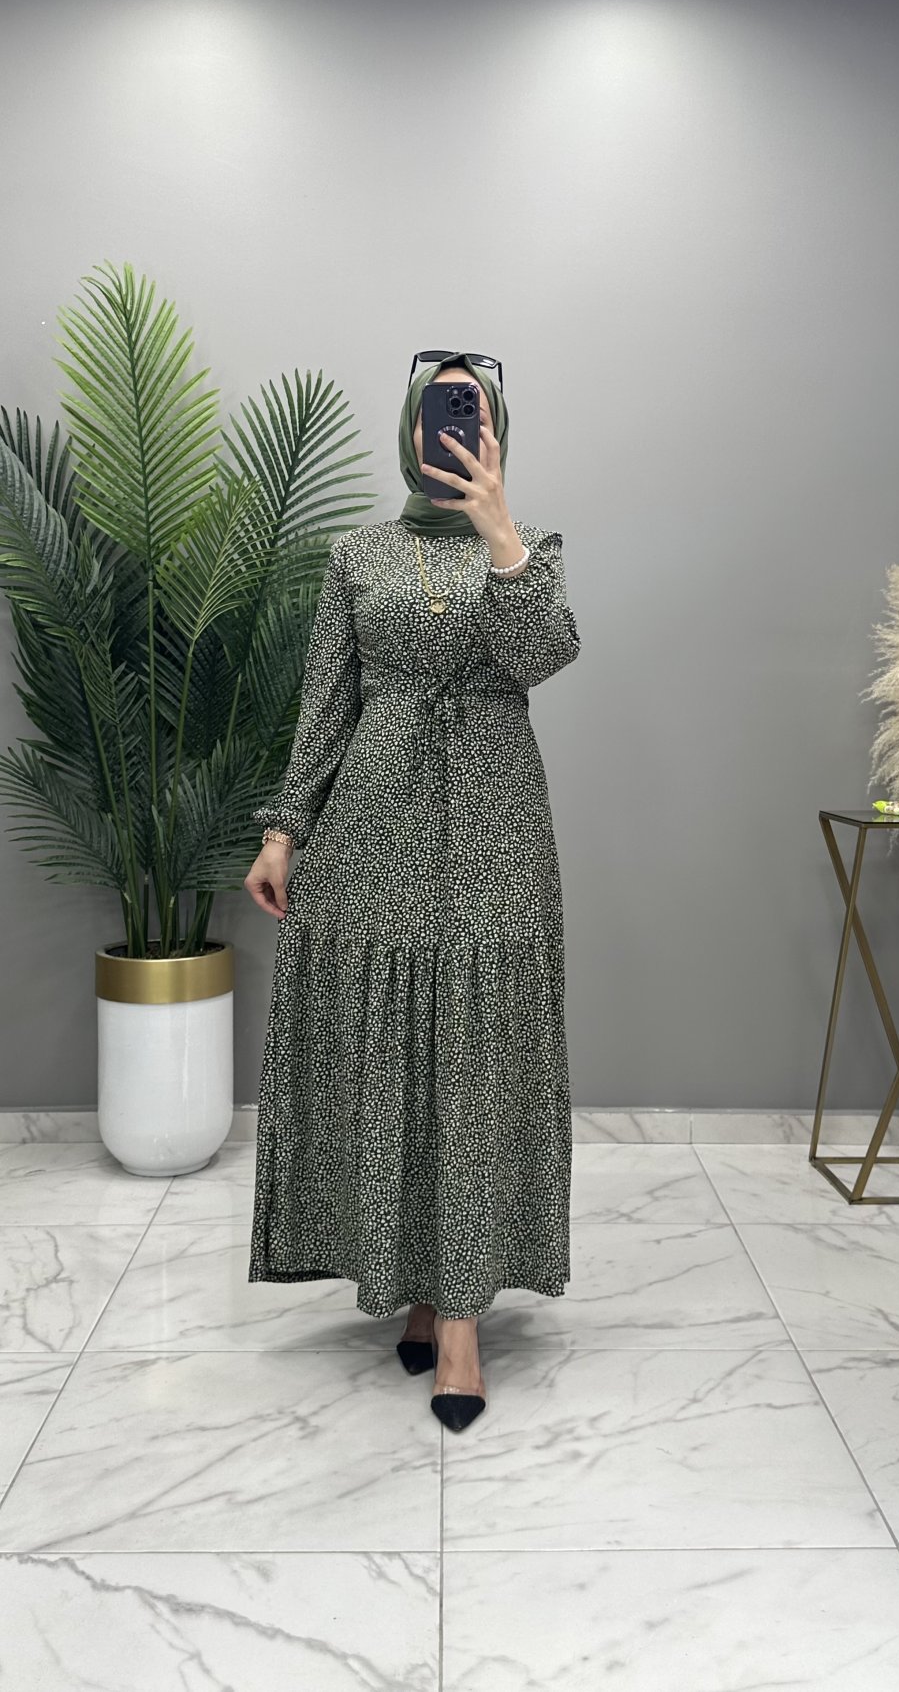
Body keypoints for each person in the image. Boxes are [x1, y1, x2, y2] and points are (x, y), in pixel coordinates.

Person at [244, 349, 581, 1431]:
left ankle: (463, 1321)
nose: (454, 427)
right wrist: (284, 831)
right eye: (441, 410)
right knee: (390, 1056)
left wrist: (498, 529)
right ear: (411, 425)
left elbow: (543, 655)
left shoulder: (530, 549)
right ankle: (418, 1281)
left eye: (471, 412)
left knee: (477, 1059)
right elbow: (325, 702)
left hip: (493, 823)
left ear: (495, 430)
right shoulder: (357, 553)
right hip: (373, 823)